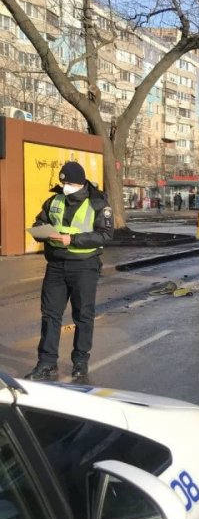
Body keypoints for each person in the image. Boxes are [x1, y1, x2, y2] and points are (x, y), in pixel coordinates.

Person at [25, 162, 113, 381]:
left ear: (81, 182)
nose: (65, 186)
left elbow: (105, 235)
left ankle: (80, 362)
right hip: (56, 265)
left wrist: (71, 239)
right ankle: (46, 363)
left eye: (69, 183)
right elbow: (39, 222)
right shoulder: (54, 200)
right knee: (50, 315)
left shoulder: (97, 202)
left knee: (83, 315)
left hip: (84, 266)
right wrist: (42, 232)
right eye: (63, 182)